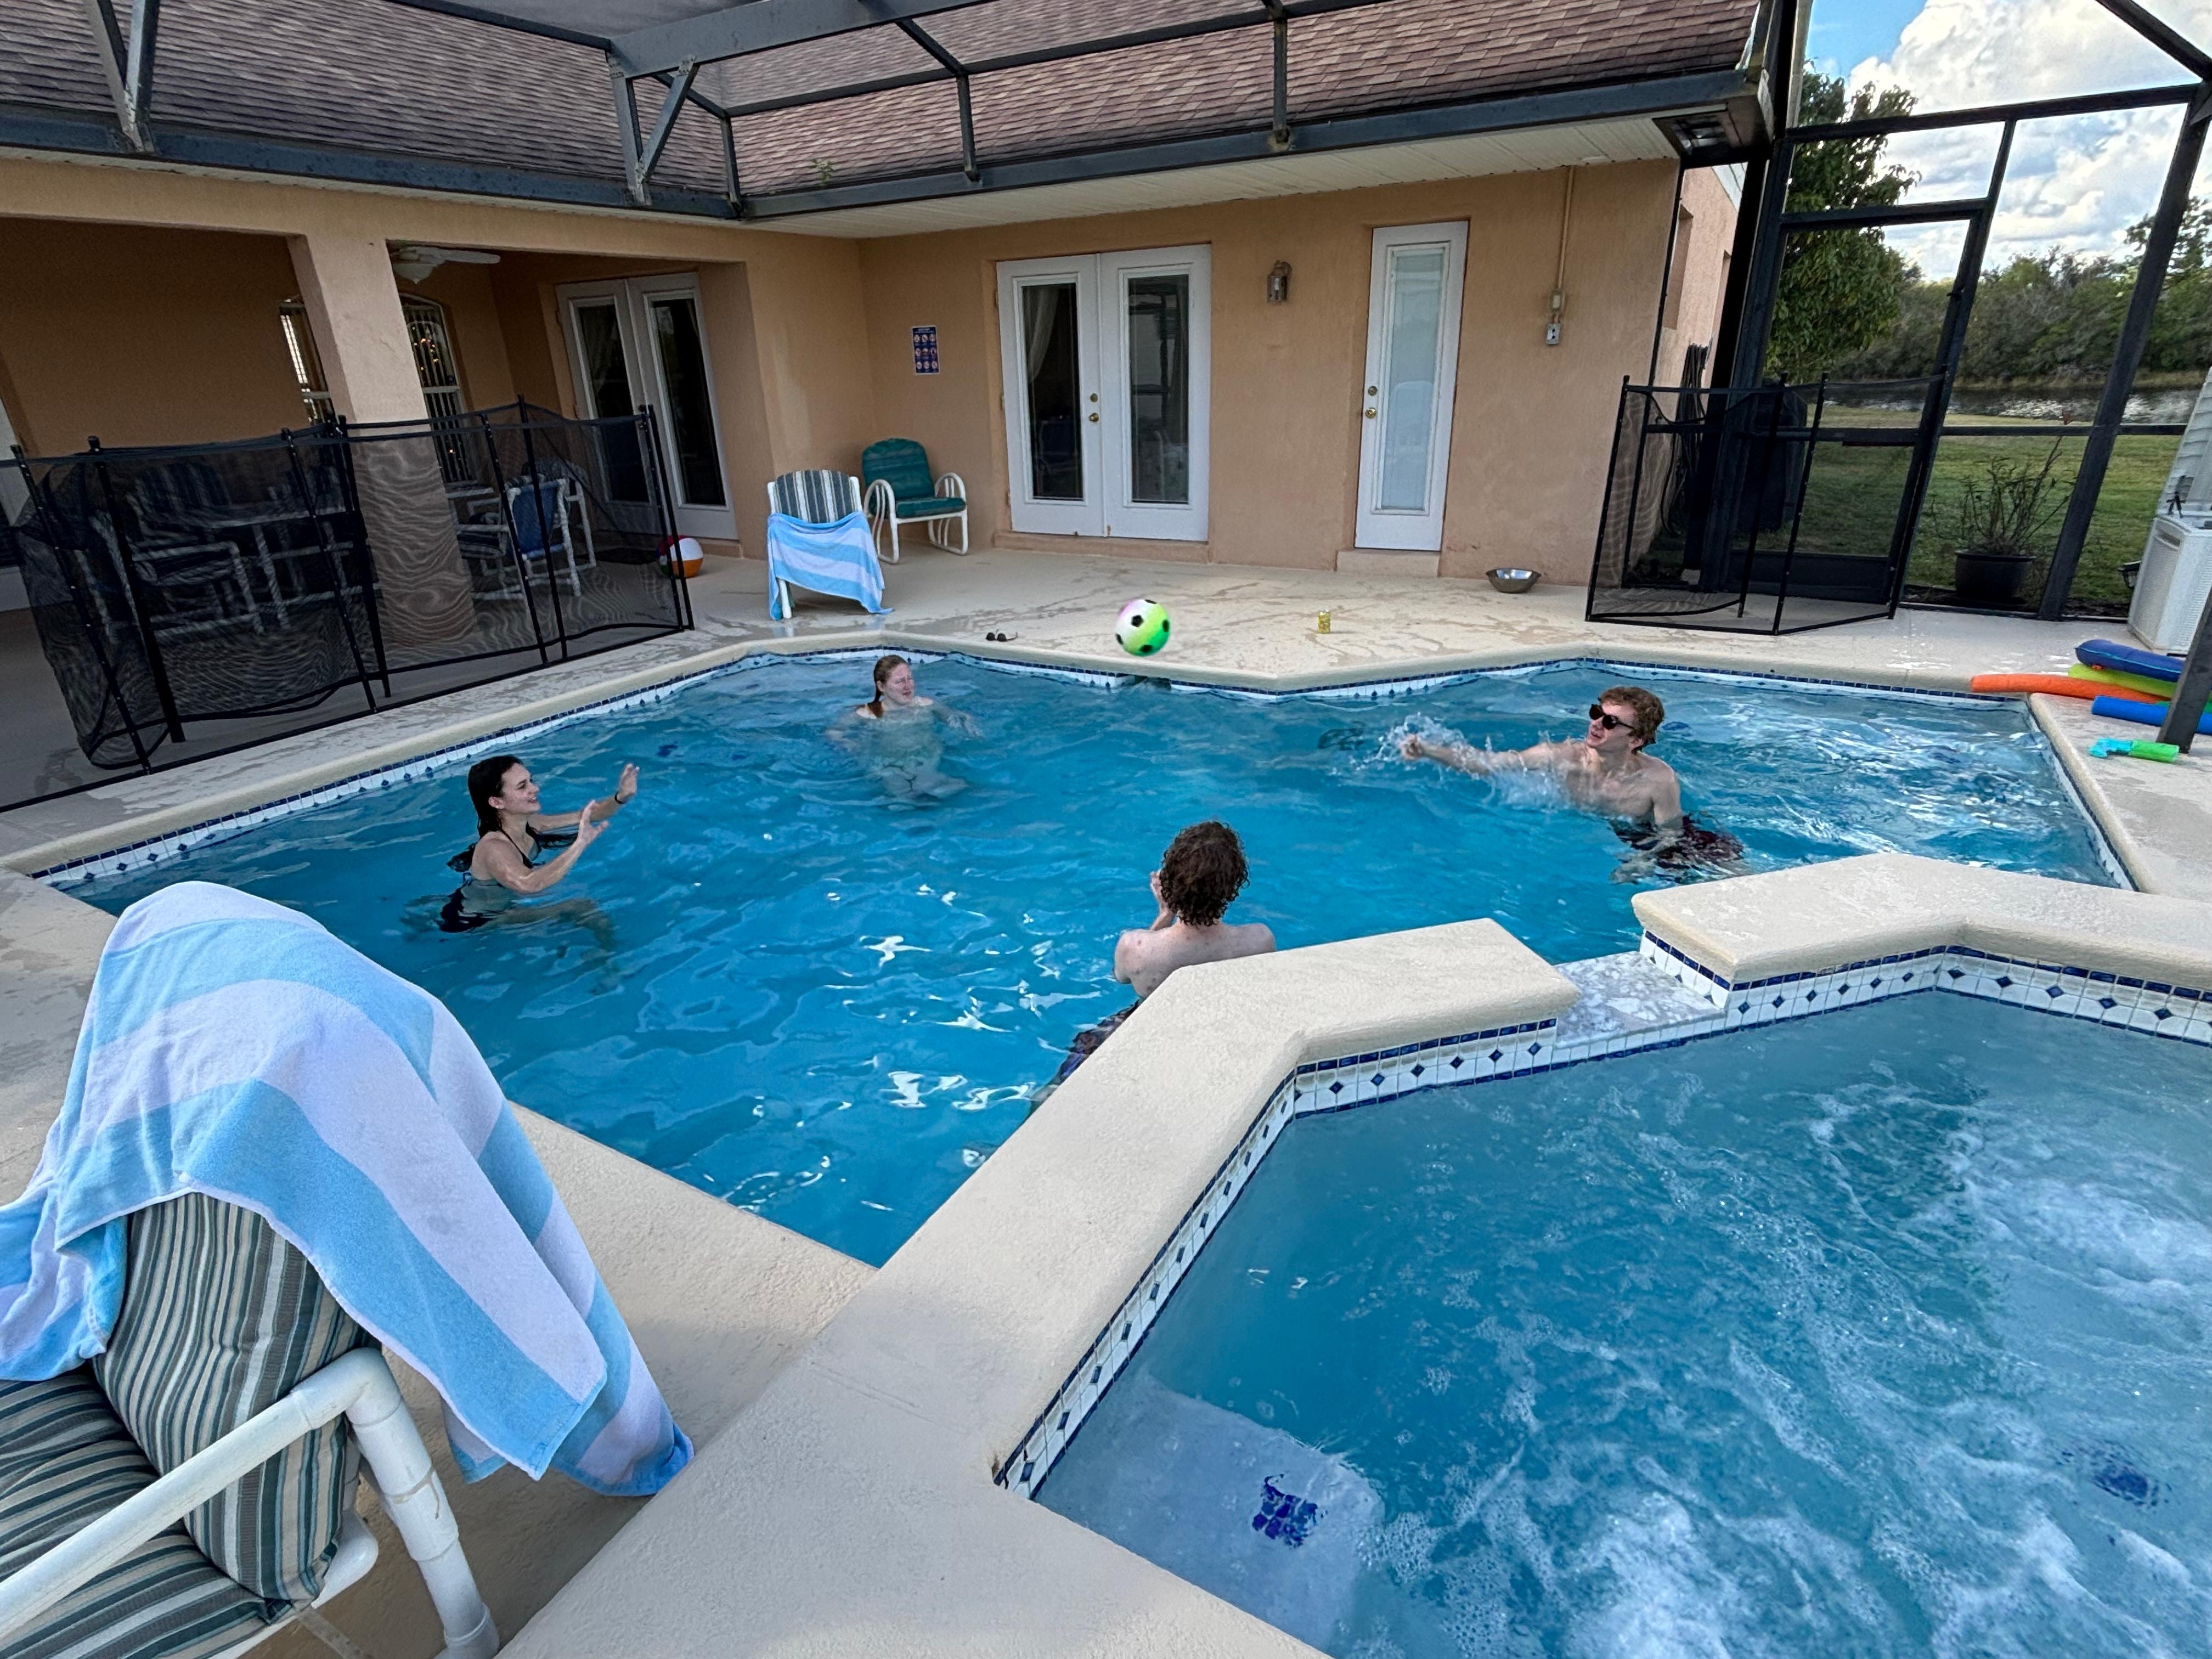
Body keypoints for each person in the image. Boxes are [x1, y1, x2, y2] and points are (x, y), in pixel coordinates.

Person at [1037, 821, 1276, 1104]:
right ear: (1233, 884)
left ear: (1171, 882)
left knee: (1060, 1083)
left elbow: (1120, 977)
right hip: (1215, 1035)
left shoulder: (1136, 947)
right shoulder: (1259, 941)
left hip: (1147, 1031)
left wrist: (1164, 914)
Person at [1400, 685, 1740, 878]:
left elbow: (1672, 833)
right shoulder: (1559, 758)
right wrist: (1429, 750)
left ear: (1636, 740)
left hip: (1665, 838)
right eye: (1596, 714)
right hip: (1621, 831)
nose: (1596, 725)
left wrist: (1643, 862)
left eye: (1610, 722)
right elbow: (1490, 765)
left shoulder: (1657, 779)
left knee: (1734, 878)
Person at [437, 754, 637, 932]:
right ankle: (610, 967)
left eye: (531, 781)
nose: (535, 788)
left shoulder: (532, 824)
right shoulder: (494, 848)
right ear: (497, 802)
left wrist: (621, 797)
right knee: (581, 907)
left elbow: (588, 815)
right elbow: (529, 885)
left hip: (496, 902)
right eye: (522, 786)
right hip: (478, 919)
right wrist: (580, 844)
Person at [828, 654, 977, 799]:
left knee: (955, 790)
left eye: (910, 678)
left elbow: (956, 717)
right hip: (889, 767)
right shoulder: (868, 714)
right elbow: (834, 732)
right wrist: (849, 744)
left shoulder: (926, 705)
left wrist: (968, 726)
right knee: (903, 800)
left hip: (925, 762)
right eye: (899, 681)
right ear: (881, 686)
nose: (908, 686)